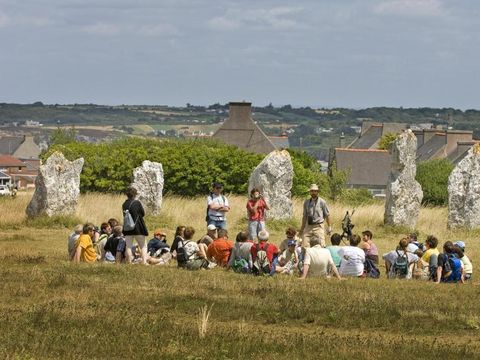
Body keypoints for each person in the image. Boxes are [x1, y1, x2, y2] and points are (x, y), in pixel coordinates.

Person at [122, 187, 149, 265]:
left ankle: (129, 262)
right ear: (135, 194)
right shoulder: (137, 203)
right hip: (138, 227)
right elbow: (143, 213)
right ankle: (144, 262)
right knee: (143, 246)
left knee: (128, 246)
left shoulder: (124, 204)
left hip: (127, 227)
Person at [300, 184, 331, 248]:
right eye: (312, 191)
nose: (313, 193)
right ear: (310, 192)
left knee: (322, 245)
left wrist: (329, 226)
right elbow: (304, 216)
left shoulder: (322, 202)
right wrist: (302, 228)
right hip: (308, 226)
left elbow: (327, 215)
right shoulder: (306, 202)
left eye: (315, 191)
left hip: (318, 226)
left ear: (317, 192)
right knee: (304, 245)